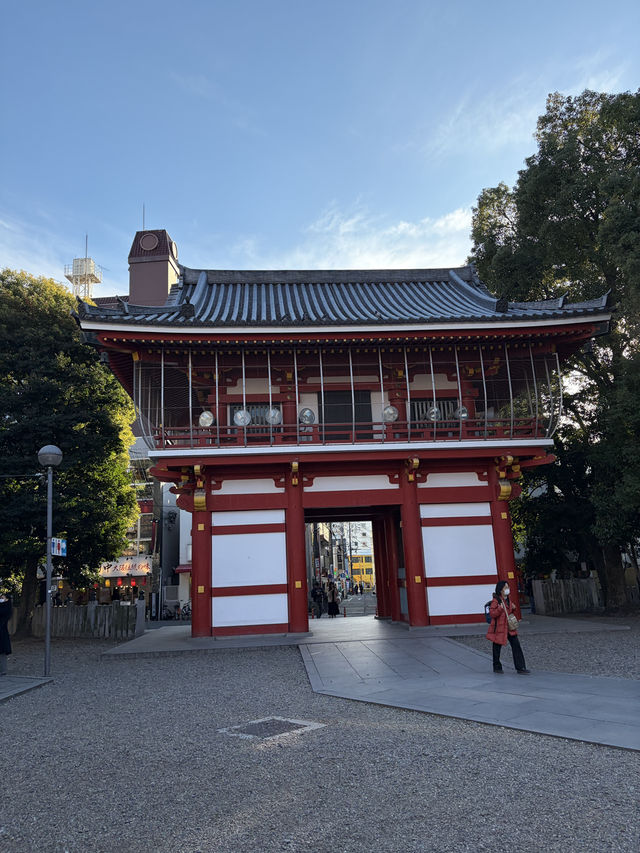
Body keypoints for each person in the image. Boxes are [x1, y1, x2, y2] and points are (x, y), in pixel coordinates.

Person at [486, 580, 530, 674]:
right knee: (497, 647)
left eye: (508, 587)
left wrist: (513, 608)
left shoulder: (508, 599)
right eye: (505, 587)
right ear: (500, 589)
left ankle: (521, 667)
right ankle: (497, 666)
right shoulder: (496, 601)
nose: (508, 589)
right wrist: (500, 608)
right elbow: (492, 614)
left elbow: (508, 613)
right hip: (499, 627)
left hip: (509, 627)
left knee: (516, 645)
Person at [0, 592, 12, 676]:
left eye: (2, 598)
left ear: (7, 599)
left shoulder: (6, 608)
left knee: (2, 652)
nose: (1, 599)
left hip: (2, 632)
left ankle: (3, 670)